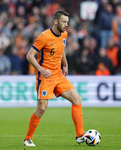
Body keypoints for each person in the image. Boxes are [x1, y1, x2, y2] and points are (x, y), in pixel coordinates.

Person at [24, 11, 85, 147]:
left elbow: (61, 48)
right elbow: (29, 55)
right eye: (64, 22)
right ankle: (28, 138)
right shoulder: (44, 36)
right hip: (45, 77)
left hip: (58, 75)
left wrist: (65, 64)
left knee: (77, 99)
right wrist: (41, 69)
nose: (66, 25)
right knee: (42, 108)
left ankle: (80, 135)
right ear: (56, 21)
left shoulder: (64, 34)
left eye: (67, 22)